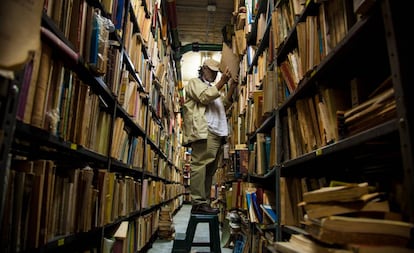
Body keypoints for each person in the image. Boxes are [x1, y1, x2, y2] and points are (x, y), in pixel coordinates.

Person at [182, 58, 237, 214]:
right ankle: (198, 202)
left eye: (216, 72)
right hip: (205, 132)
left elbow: (222, 106)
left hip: (218, 133)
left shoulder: (212, 88)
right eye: (211, 71)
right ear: (204, 69)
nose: (214, 74)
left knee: (209, 170)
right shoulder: (194, 83)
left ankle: (204, 202)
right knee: (200, 165)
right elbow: (204, 97)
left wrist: (231, 87)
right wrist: (222, 82)